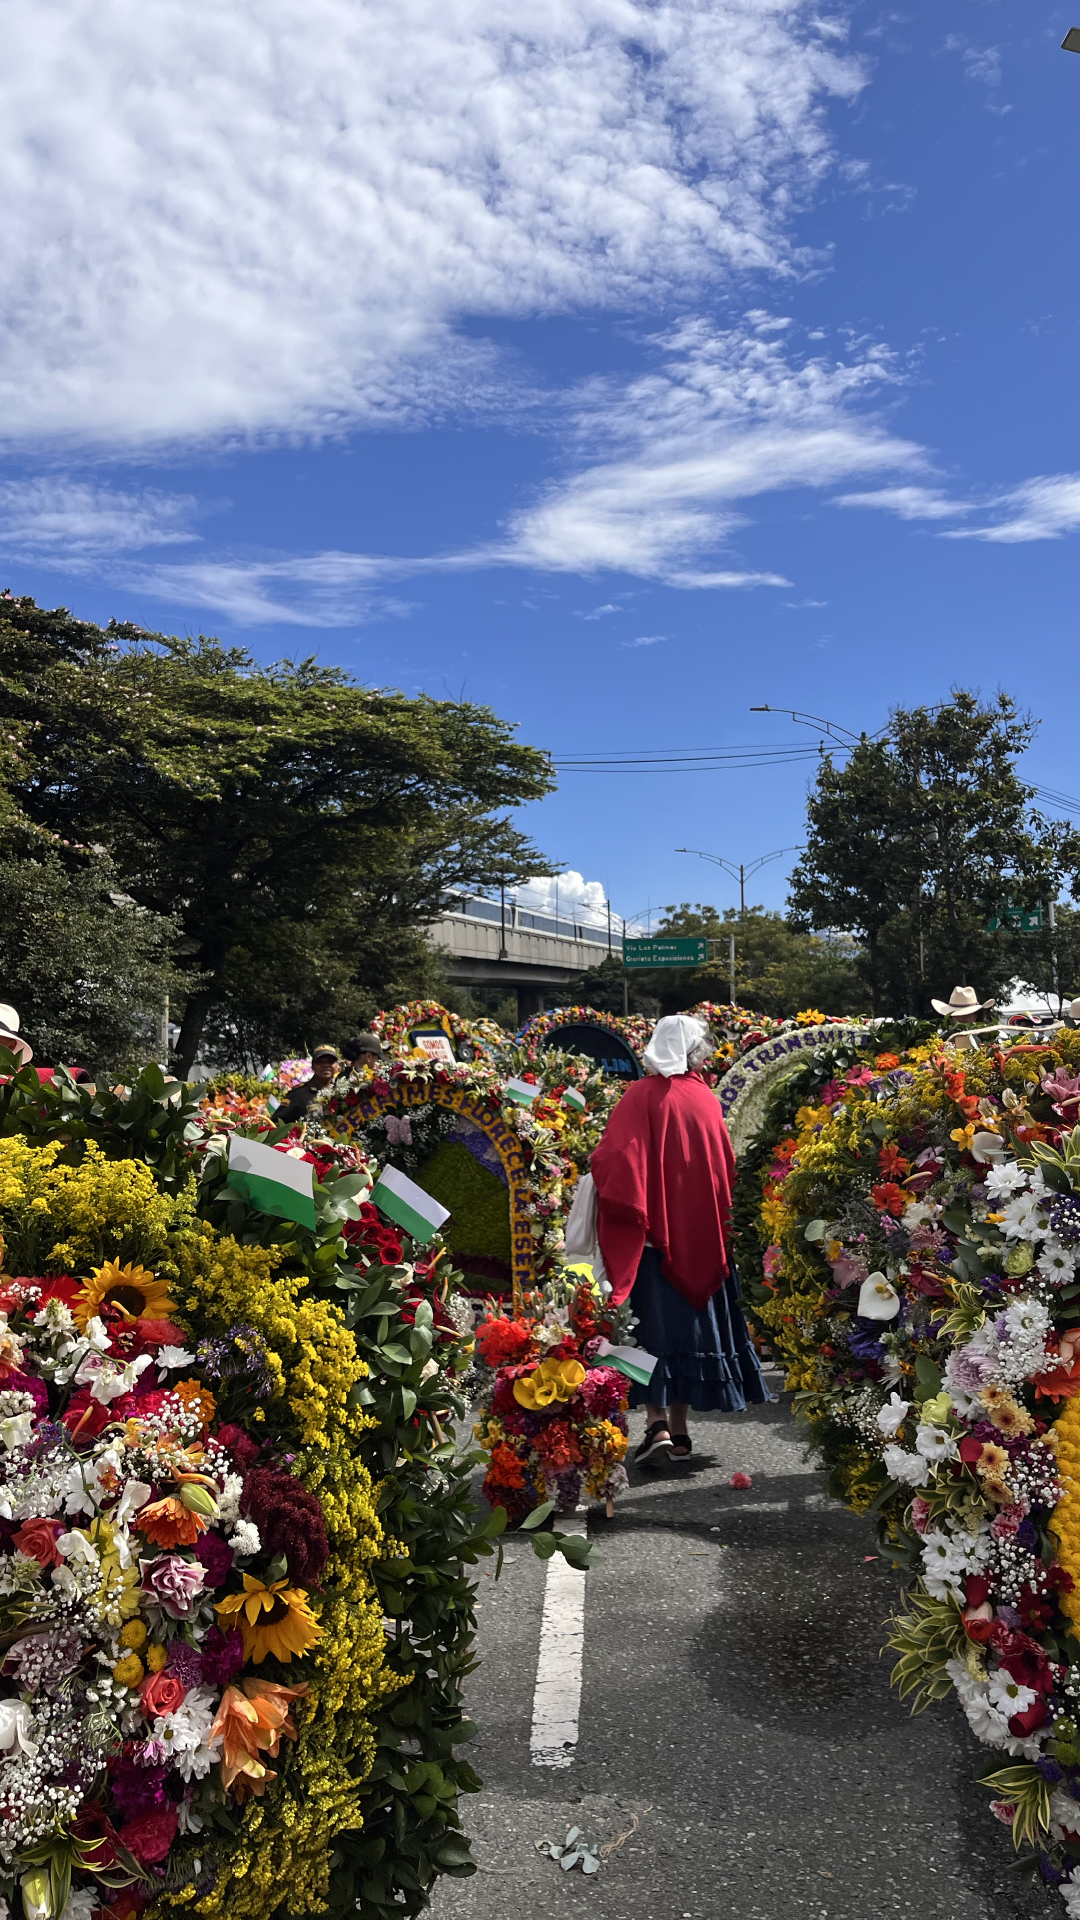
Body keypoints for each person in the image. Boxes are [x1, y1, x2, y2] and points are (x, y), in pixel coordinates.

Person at [589, 1012, 766, 1466]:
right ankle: (682, 1431)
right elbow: (724, 1168)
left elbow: (614, 1159)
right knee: (689, 1335)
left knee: (652, 1335)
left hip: (653, 1245)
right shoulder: (705, 1099)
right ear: (695, 1052)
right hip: (703, 1242)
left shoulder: (640, 1095)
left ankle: (657, 1425)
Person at [274, 1045, 340, 1125]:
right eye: (320, 1062)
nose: (325, 1065)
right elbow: (277, 1122)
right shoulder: (298, 1094)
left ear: (337, 1066)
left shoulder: (341, 1092)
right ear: (312, 1066)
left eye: (330, 1062)